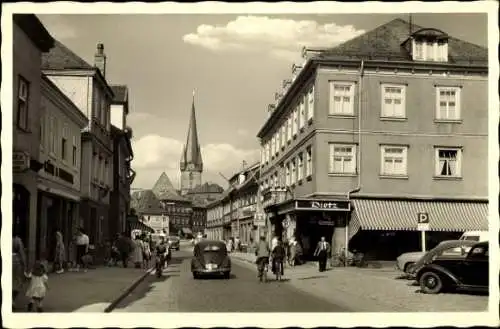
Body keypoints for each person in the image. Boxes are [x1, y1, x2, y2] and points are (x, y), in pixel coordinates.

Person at [12, 231, 27, 309]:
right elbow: (21, 252)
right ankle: (12, 300)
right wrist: (25, 265)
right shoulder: (17, 240)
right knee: (18, 281)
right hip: (15, 261)